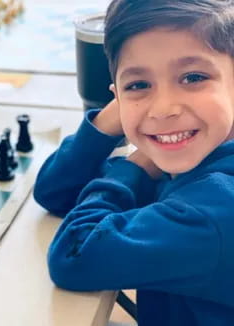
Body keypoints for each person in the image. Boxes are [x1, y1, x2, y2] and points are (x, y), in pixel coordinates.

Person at [34, 0, 234, 325]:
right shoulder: (200, 155)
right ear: (116, 95)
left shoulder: (212, 212)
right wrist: (111, 119)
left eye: (193, 77)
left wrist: (135, 166)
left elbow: (75, 253)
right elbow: (55, 191)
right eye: (139, 84)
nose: (163, 108)